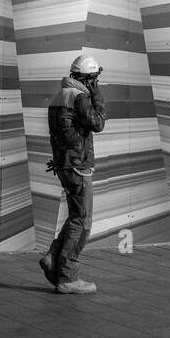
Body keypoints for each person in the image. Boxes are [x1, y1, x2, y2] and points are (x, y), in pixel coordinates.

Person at [40, 54, 106, 294]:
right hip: (78, 167)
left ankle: (53, 256)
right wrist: (97, 97)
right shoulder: (79, 97)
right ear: (89, 79)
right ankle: (68, 277)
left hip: (64, 165)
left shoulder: (60, 95)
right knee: (83, 221)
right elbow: (98, 123)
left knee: (75, 217)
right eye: (95, 80)